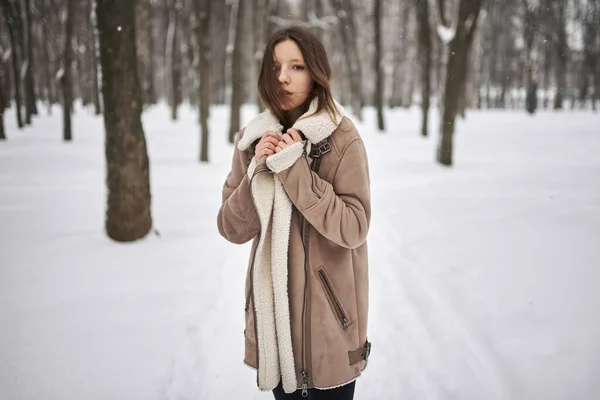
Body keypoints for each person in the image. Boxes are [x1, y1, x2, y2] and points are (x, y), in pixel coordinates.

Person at [217, 25, 371, 400]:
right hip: (275, 330)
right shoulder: (253, 139)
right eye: (275, 67)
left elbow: (353, 227)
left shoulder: (341, 138)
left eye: (296, 66)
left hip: (329, 331)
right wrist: (257, 170)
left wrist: (295, 171)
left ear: (315, 72)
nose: (282, 77)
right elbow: (231, 229)